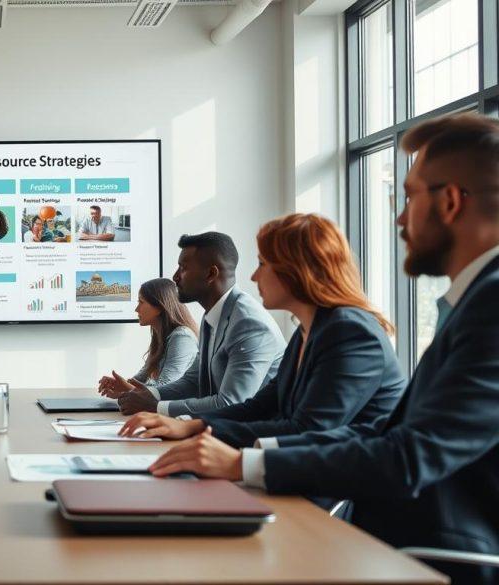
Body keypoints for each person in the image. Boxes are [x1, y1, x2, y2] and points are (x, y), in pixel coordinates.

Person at [148, 113, 499, 585]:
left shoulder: (487, 305)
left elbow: (407, 456)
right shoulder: (471, 301)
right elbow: (373, 437)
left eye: (411, 195)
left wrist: (242, 461)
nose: (399, 215)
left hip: (427, 550)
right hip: (388, 532)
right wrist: (201, 429)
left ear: (452, 201)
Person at [119, 214, 406, 448]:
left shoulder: (350, 333)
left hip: (346, 499)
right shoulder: (308, 331)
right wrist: (189, 425)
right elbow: (259, 406)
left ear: (297, 270)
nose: (254, 276)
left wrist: (202, 438)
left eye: (262, 264)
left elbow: (306, 430)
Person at [117, 232, 285, 416]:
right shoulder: (211, 316)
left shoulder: (249, 324)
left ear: (211, 273)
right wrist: (147, 395)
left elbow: (231, 403)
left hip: (250, 437)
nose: (175, 277)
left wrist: (155, 406)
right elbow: (193, 381)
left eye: (183, 268)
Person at [98, 278, 198, 396]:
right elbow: (140, 378)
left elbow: (165, 389)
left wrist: (126, 389)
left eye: (141, 302)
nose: (136, 309)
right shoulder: (160, 336)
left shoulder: (182, 337)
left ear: (160, 306)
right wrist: (118, 384)